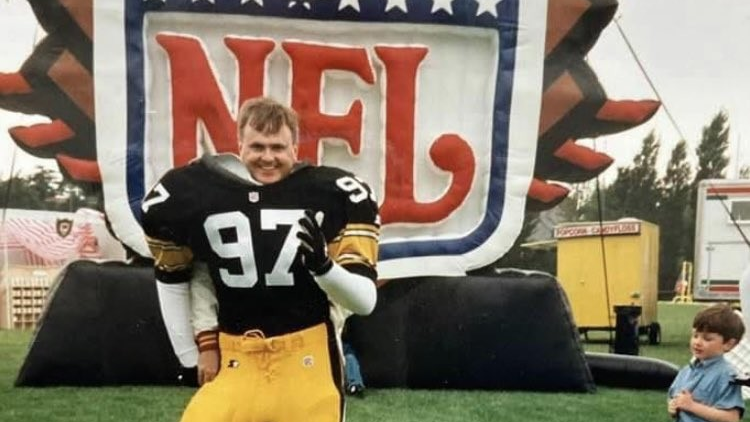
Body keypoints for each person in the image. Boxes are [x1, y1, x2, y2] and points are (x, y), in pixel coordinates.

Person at [141, 97, 380, 422]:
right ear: (240, 146)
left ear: (294, 148)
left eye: (278, 147)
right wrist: (198, 351)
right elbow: (189, 275)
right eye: (257, 146)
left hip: (307, 359)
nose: (268, 157)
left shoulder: (330, 192)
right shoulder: (201, 195)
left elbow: (365, 301)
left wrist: (324, 268)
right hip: (237, 357)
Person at [668, 303, 745, 422]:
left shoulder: (726, 375)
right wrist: (673, 407)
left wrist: (692, 406)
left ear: (728, 344)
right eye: (695, 335)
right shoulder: (686, 371)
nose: (697, 342)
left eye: (707, 338)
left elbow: (731, 418)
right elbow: (674, 400)